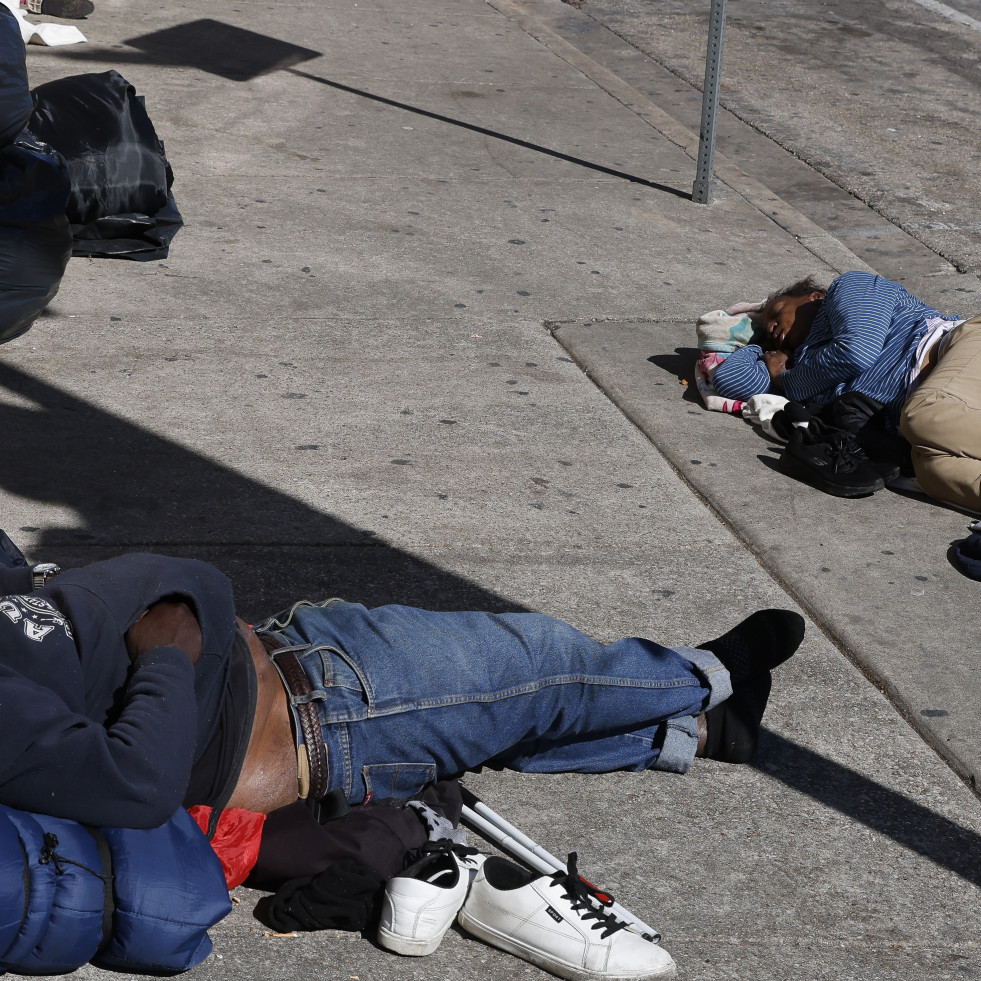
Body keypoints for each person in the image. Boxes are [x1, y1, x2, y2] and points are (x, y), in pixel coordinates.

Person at [0, 552, 804, 881]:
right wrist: (169, 647)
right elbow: (137, 784)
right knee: (536, 669)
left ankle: (698, 732)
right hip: (328, 708)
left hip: (297, 663)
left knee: (509, 722)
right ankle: (702, 679)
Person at [713, 270, 981, 511]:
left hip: (957, 351)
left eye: (777, 312)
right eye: (767, 331)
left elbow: (857, 352)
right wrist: (757, 345)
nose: (770, 328)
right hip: (938, 416)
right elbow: (730, 381)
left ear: (813, 297)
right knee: (933, 471)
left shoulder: (854, 286)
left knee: (925, 416)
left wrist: (785, 380)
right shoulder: (805, 364)